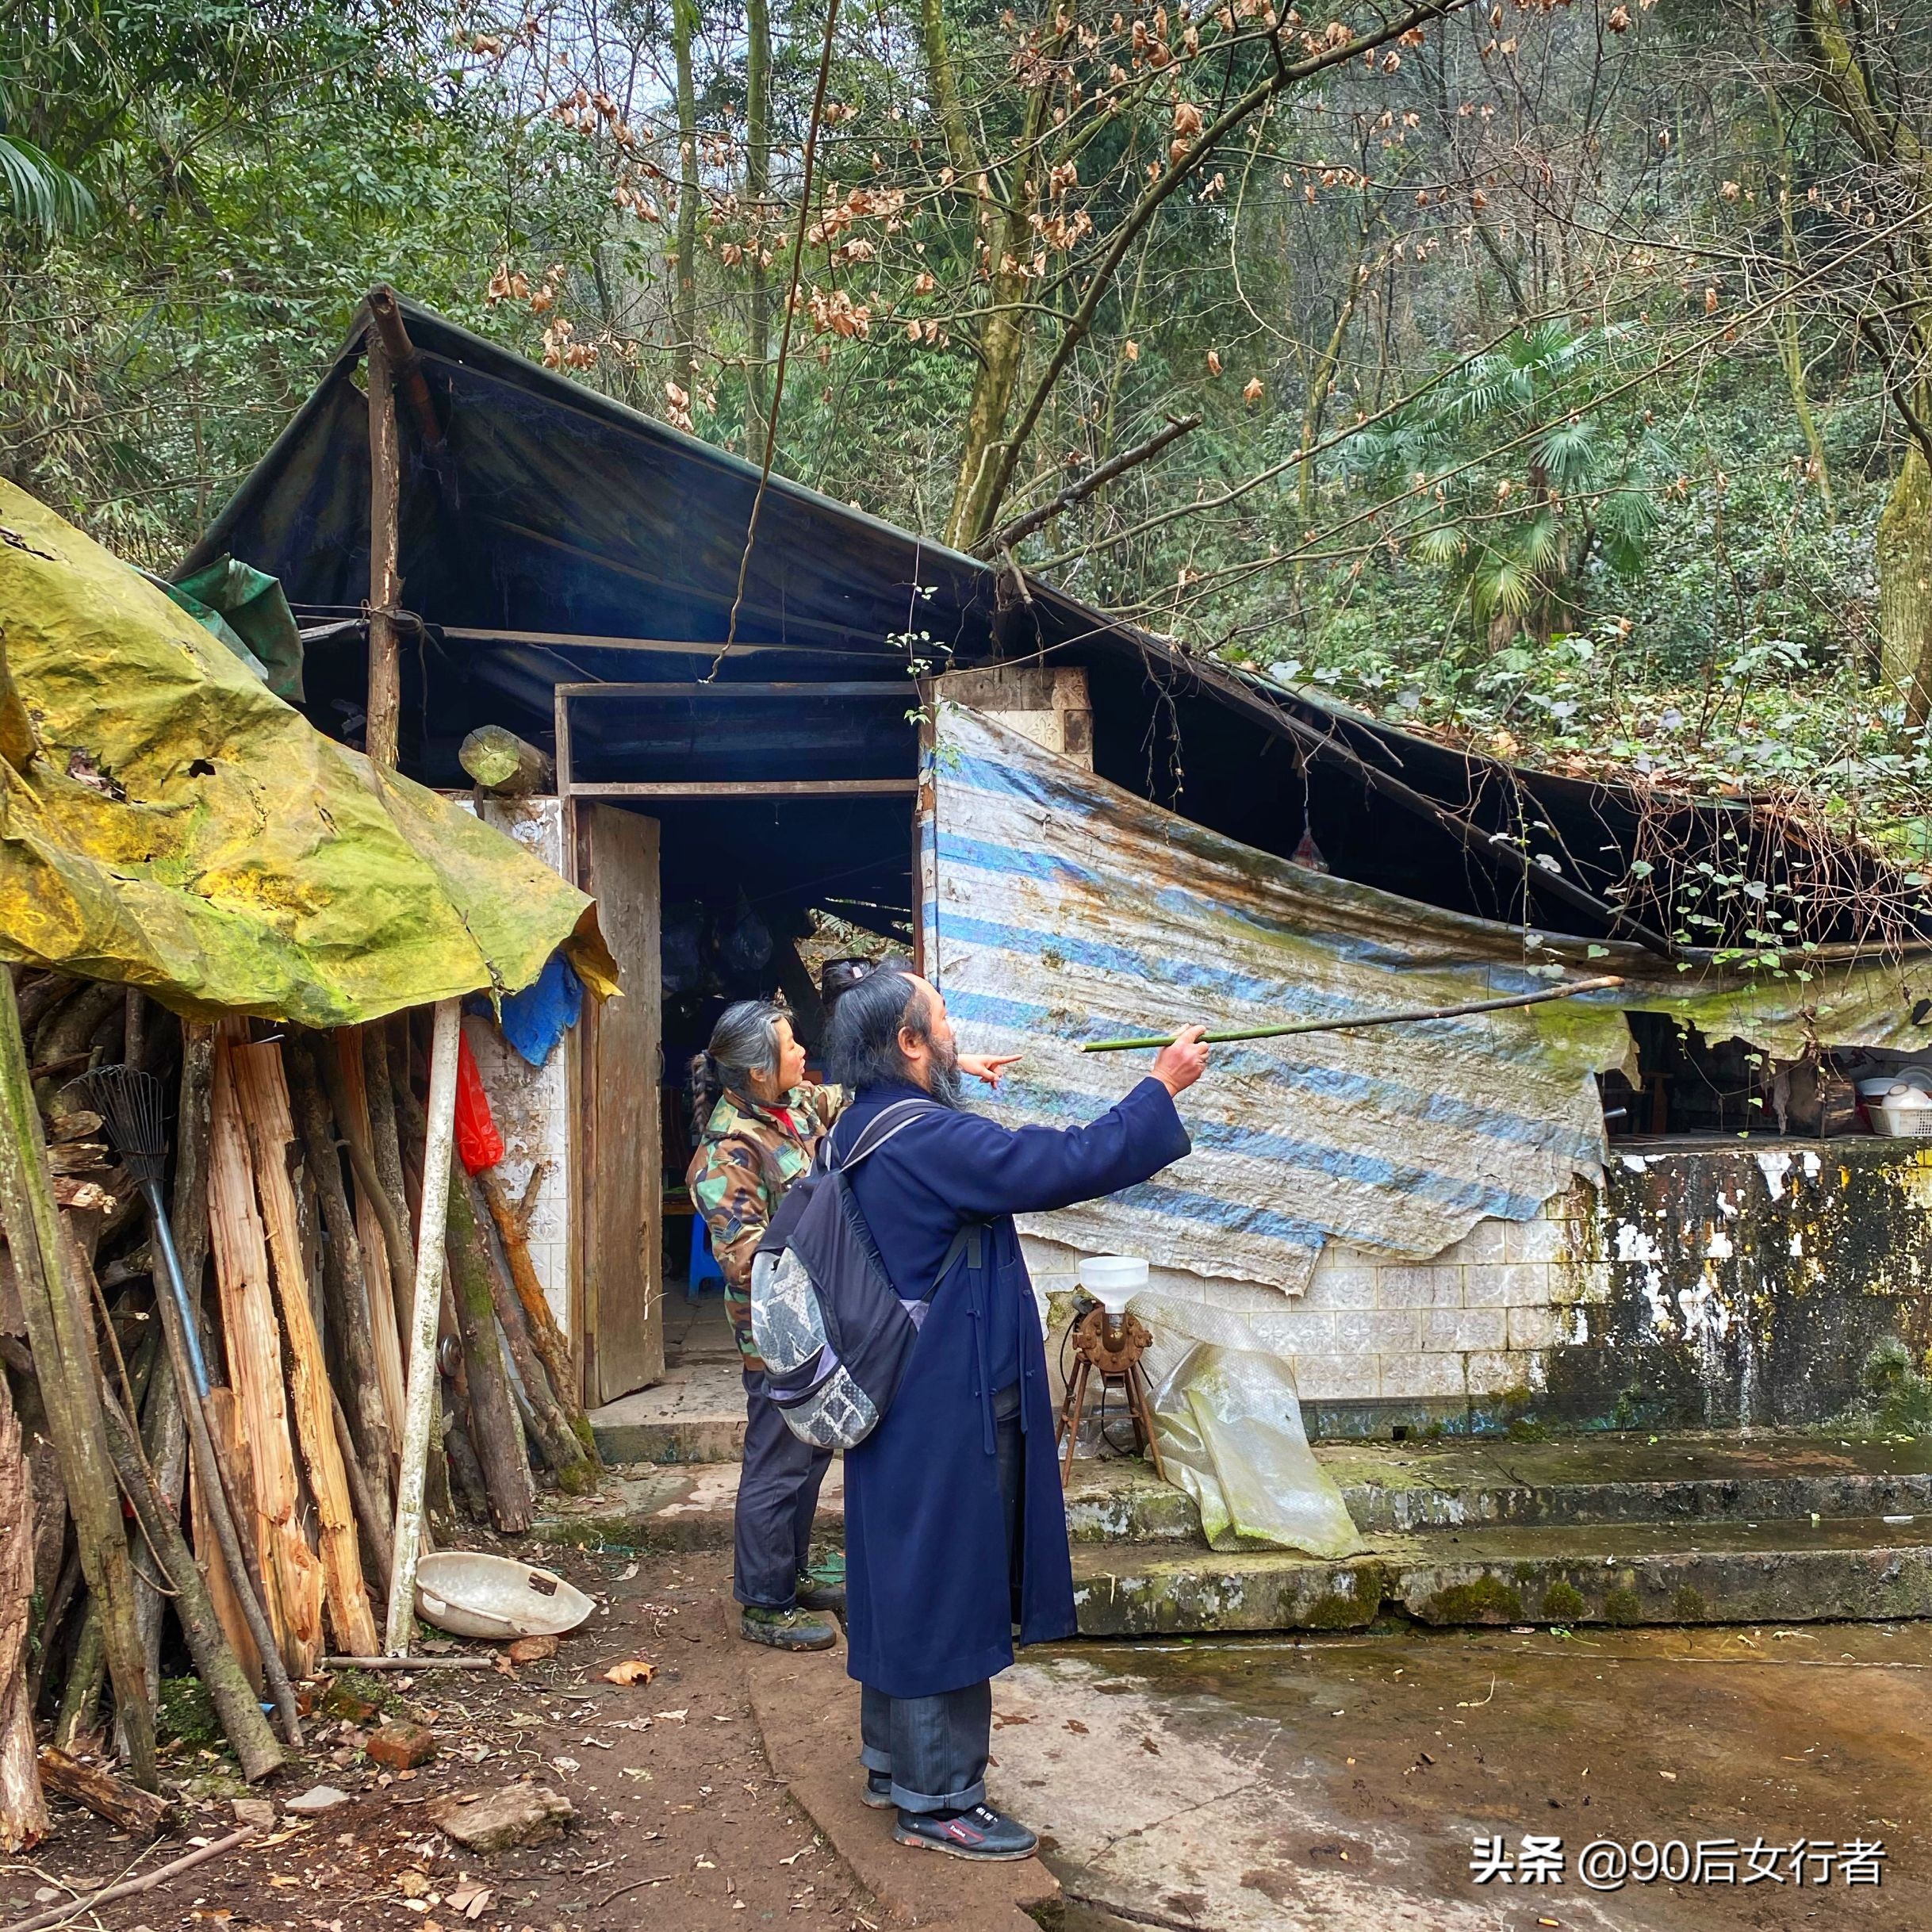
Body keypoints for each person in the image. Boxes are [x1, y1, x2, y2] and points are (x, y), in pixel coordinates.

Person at [822, 968, 1207, 1860]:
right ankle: (940, 1798)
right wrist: (1159, 1087)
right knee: (946, 1585)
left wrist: (956, 1080)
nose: (955, 1031)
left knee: (902, 1570)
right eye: (943, 1021)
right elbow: (1063, 1162)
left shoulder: (861, 1125)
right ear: (909, 1044)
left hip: (898, 1389)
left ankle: (895, 1763)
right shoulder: (929, 1139)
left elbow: (957, 1146)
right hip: (945, 1401)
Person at [688, 997, 1020, 1650]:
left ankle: (794, 1571)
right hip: (780, 1343)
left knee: (810, 1458)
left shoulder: (798, 1107)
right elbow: (746, 1264)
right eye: (790, 1048)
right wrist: (825, 1243)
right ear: (758, 1073)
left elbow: (849, 1097)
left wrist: (957, 1063)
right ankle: (763, 1601)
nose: (802, 1053)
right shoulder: (728, 1155)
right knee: (778, 1466)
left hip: (828, 1328)